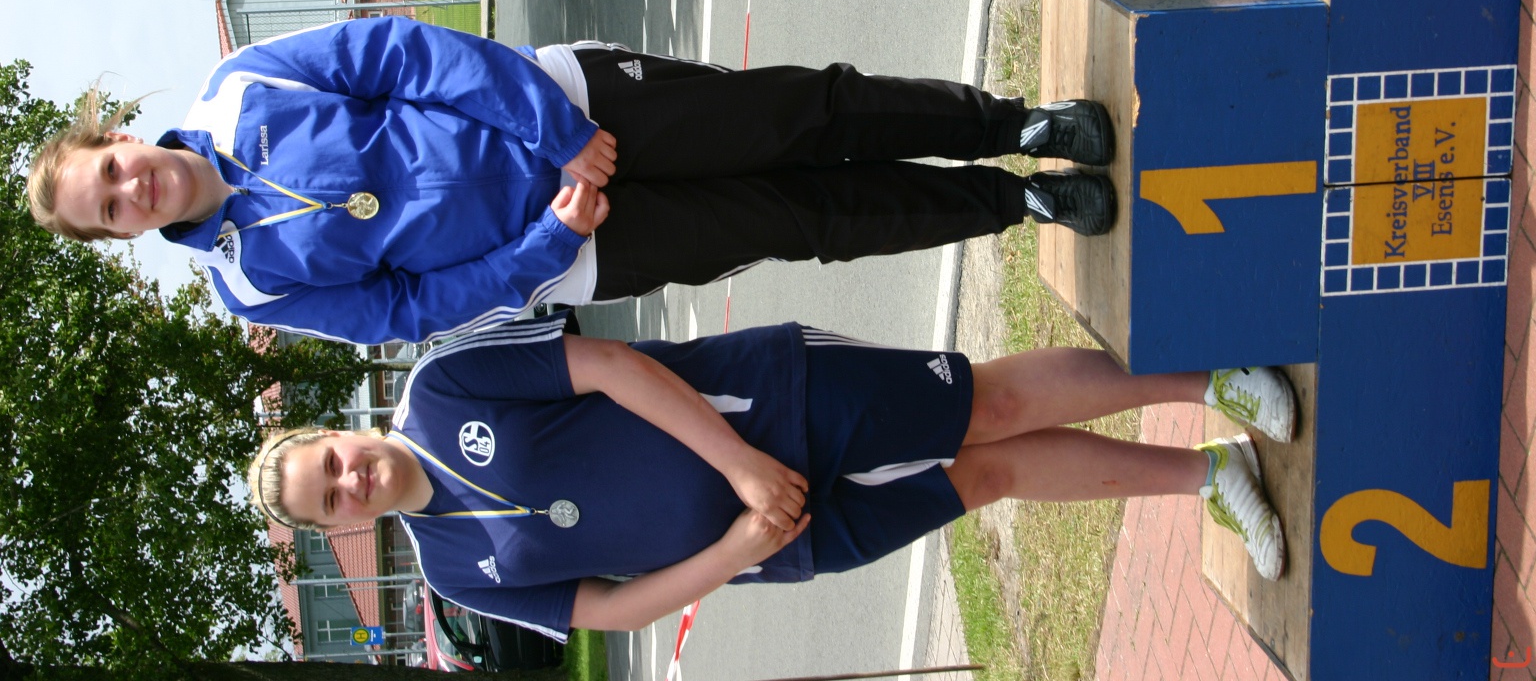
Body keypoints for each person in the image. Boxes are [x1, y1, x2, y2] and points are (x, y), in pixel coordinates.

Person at [27, 16, 1116, 347]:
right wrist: (547, 243)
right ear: (123, 236)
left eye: (110, 170)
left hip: (577, 106)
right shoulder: (250, 286)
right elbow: (407, 308)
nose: (132, 190)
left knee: (803, 113)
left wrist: (557, 133)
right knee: (800, 220)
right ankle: (1013, 200)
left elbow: (407, 56)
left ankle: (1013, 125)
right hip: (580, 247)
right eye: (111, 211)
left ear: (117, 135)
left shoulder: (241, 86)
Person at [248, 313, 1296, 641]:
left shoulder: (439, 388)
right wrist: (736, 549)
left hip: (768, 404)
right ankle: (1206, 476)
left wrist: (744, 466)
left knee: (985, 407)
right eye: (330, 501)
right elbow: (606, 611)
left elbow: (608, 366)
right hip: (773, 543)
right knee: (984, 480)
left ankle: (1211, 379)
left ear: (334, 432)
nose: (349, 479)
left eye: (329, 461)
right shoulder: (450, 570)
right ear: (341, 526)